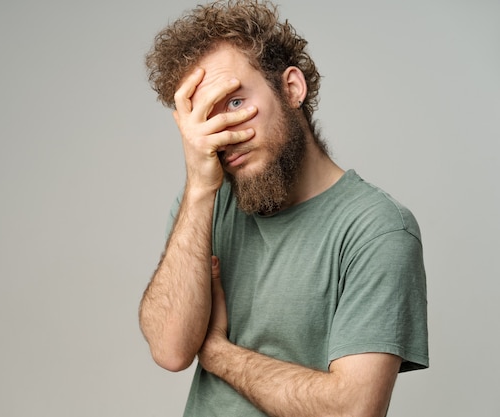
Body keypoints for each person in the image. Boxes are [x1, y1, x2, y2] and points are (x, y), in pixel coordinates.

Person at [138, 1, 429, 416]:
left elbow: (352, 410)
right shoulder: (206, 201)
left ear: (292, 88)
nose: (225, 136)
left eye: (236, 102)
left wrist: (218, 353)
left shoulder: (377, 229)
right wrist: (200, 189)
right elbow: (169, 349)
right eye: (207, 118)